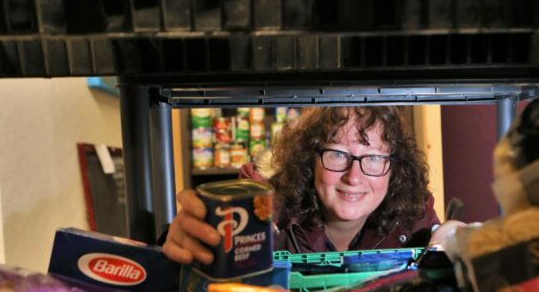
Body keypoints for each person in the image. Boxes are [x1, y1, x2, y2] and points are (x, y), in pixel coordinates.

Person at [162, 106, 461, 264]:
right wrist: (183, 246)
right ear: (310, 158)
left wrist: (459, 242)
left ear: (394, 169)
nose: (353, 177)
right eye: (337, 154)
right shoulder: (262, 209)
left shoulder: (414, 217)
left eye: (372, 158)